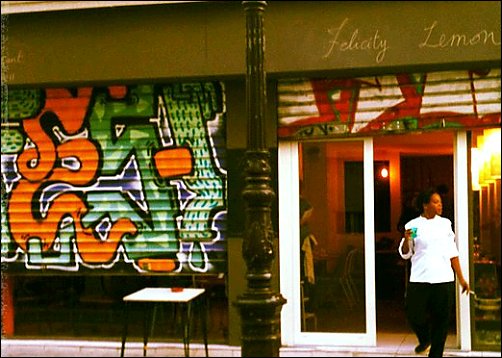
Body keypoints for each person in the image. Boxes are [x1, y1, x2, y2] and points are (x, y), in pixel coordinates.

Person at [398, 188, 469, 357]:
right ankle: (425, 339)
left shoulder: (445, 224)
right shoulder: (413, 225)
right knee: (413, 313)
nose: (440, 205)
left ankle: (436, 354)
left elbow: (452, 252)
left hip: (443, 279)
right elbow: (407, 253)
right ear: (425, 205)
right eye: (435, 202)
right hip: (420, 278)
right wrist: (407, 240)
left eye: (440, 202)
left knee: (441, 321)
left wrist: (461, 278)